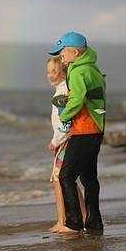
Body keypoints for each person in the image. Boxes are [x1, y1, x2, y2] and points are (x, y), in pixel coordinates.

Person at [48, 31, 107, 235]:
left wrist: (64, 118)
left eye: (62, 52)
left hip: (85, 130)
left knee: (66, 175)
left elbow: (78, 98)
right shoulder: (91, 68)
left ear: (74, 51)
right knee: (89, 178)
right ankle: (94, 222)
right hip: (94, 129)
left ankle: (73, 223)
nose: (60, 56)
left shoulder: (80, 71)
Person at [46, 57, 70, 232]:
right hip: (66, 140)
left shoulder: (62, 93)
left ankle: (62, 221)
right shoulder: (60, 91)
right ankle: (83, 216)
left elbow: (65, 121)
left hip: (64, 141)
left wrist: (55, 141)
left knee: (57, 179)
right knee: (67, 180)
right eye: (48, 72)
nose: (50, 75)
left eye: (54, 71)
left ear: (63, 71)